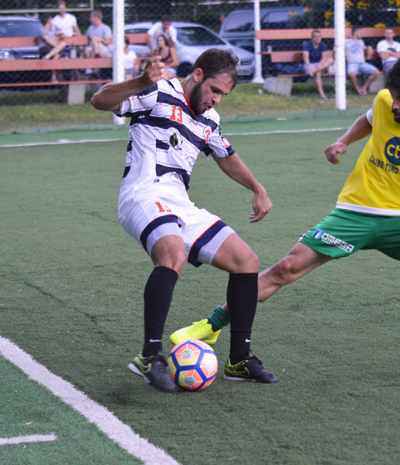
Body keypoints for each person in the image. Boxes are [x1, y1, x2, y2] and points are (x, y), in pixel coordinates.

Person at [172, 55, 400, 375]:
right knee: (286, 267)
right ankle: (212, 325)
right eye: (394, 98)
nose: (396, 106)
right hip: (355, 212)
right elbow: (368, 120)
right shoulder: (386, 101)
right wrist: (343, 141)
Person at [90, 48, 278, 392]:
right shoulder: (158, 92)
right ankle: (150, 355)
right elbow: (99, 101)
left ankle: (238, 361)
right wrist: (141, 81)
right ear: (197, 75)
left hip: (179, 202)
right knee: (172, 253)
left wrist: (257, 187)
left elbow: (226, 155)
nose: (216, 100)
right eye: (215, 91)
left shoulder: (211, 120)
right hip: (143, 193)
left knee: (246, 261)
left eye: (224, 95)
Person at [345, 26, 381, 96]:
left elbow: (365, 47)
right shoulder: (346, 42)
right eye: (360, 32)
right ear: (355, 33)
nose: (361, 34)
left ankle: (364, 88)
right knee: (351, 74)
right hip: (352, 64)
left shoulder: (361, 41)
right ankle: (358, 89)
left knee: (376, 72)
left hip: (362, 64)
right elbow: (336, 48)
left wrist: (369, 47)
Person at [302, 29, 334, 100]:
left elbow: (324, 57)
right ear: (312, 38)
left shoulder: (323, 45)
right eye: (316, 37)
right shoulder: (307, 45)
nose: (318, 38)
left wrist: (318, 66)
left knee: (331, 60)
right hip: (310, 65)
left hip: (320, 65)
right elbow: (306, 58)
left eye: (319, 36)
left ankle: (315, 71)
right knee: (318, 72)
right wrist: (310, 68)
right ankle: (322, 95)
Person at [38, 14, 68, 82]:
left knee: (59, 49)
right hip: (45, 48)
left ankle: (53, 76)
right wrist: (57, 47)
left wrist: (62, 34)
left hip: (52, 50)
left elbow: (58, 34)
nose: (52, 22)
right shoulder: (42, 30)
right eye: (51, 20)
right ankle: (53, 75)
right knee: (58, 51)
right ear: (49, 21)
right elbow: (48, 41)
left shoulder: (52, 30)